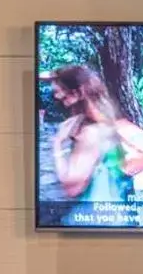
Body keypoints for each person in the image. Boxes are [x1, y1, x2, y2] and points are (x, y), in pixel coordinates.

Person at [48, 65, 132, 205]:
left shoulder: (91, 133)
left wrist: (57, 145)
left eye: (60, 91)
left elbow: (72, 188)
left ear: (77, 93)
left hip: (93, 212)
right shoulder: (102, 116)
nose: (56, 96)